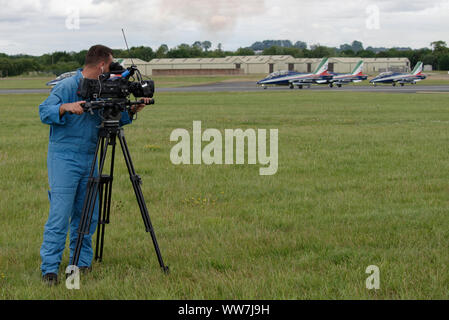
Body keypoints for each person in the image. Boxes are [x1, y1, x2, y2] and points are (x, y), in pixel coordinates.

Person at [39, 44, 149, 285]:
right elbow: (43, 111)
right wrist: (65, 107)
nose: (113, 71)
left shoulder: (102, 88)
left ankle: (80, 262)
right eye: (111, 66)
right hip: (64, 159)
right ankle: (49, 268)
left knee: (87, 214)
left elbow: (107, 117)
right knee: (60, 215)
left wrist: (131, 110)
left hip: (91, 156)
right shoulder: (68, 86)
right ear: (101, 65)